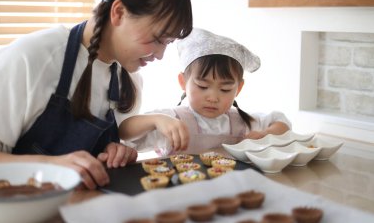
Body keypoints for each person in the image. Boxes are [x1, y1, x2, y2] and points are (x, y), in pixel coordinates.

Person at [0, 0, 192, 189]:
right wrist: (52, 166)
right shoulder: (33, 58)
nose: (160, 55)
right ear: (118, 12)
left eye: (167, 43)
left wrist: (115, 152)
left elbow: (106, 147)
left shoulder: (129, 78)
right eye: (157, 39)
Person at [119, 28, 291, 155]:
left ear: (238, 89)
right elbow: (125, 132)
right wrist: (156, 120)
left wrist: (264, 134)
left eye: (225, 89)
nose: (213, 97)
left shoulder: (241, 122)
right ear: (183, 82)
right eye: (202, 86)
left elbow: (282, 123)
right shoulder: (173, 121)